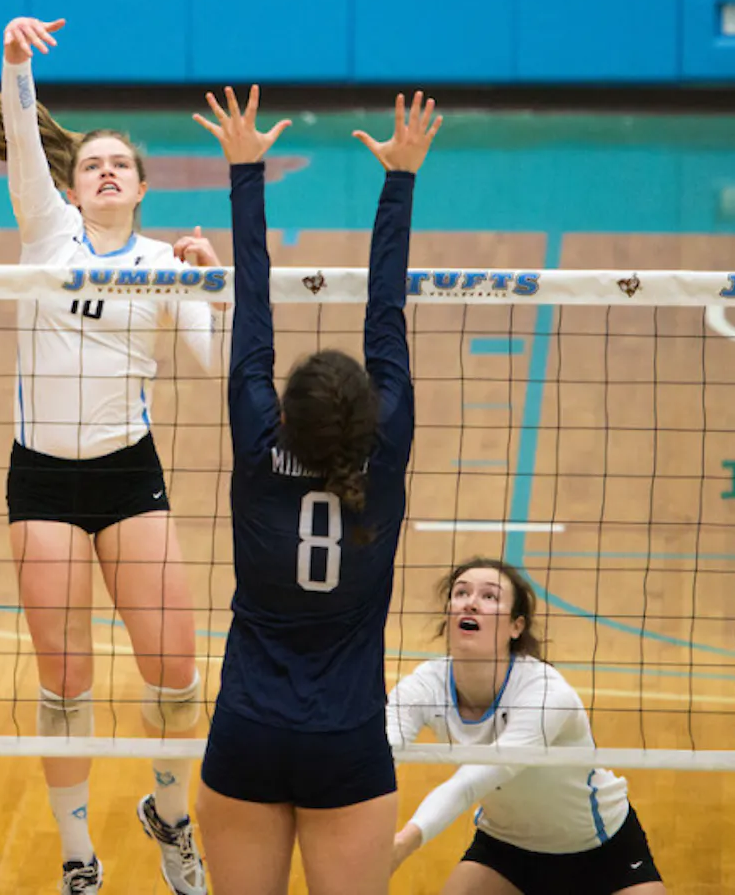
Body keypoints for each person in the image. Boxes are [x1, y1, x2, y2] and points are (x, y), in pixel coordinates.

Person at [0, 16, 220, 895]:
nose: (104, 171)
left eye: (119, 166)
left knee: (174, 667)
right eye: (91, 162)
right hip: (45, 479)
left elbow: (217, 366)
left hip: (130, 474)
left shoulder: (166, 265)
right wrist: (13, 63)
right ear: (75, 181)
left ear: (139, 189)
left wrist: (209, 279)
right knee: (64, 677)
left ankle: (169, 818)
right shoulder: (44, 230)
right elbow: (22, 131)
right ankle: (77, 856)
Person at [190, 85, 439, 895]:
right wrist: (399, 181)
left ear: (284, 410)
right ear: (370, 417)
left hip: (248, 729)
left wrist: (245, 171)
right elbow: (386, 313)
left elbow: (251, 312)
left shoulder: (260, 448)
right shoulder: (387, 448)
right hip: (347, 736)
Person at [387, 557, 667, 895]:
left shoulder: (545, 693)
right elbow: (379, 755)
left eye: (489, 597)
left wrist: (403, 844)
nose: (471, 602)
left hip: (603, 852)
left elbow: (471, 782)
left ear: (516, 627)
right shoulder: (424, 685)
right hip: (505, 852)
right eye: (461, 593)